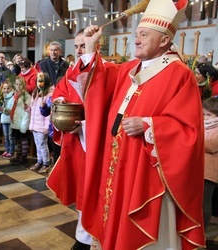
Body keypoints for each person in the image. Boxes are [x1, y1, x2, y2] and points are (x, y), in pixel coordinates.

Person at [79, 0, 205, 248]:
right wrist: (91, 47)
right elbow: (96, 85)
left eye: (143, 35)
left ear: (163, 41)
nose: (135, 40)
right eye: (136, 34)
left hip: (146, 172)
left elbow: (189, 131)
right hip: (118, 166)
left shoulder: (180, 74)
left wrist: (149, 126)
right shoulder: (129, 68)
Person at [47, 29, 118, 250]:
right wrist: (58, 99)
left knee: (96, 193)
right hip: (77, 142)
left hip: (98, 141)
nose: (79, 50)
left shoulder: (110, 70)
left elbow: (109, 108)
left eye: (83, 45)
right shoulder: (71, 72)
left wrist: (87, 125)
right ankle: (84, 236)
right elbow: (62, 92)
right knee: (82, 192)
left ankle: (90, 238)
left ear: (96, 44)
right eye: (77, 46)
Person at [28, 72, 52, 173]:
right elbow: (33, 110)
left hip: (42, 126)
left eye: (41, 81)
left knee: (43, 144)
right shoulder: (35, 94)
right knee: (38, 144)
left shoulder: (48, 95)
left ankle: (46, 163)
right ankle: (39, 161)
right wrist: (27, 108)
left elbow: (49, 114)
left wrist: (47, 126)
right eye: (38, 81)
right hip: (35, 125)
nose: (39, 83)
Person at [202, 96, 218, 231]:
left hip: (209, 171)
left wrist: (193, 138)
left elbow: (211, 145)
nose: (205, 117)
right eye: (203, 114)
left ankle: (203, 231)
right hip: (197, 168)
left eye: (208, 115)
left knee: (204, 202)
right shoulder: (202, 126)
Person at [9, 76, 31, 164]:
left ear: (24, 85)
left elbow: (27, 111)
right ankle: (18, 154)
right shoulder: (14, 95)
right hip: (15, 120)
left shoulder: (26, 95)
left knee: (23, 139)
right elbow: (11, 106)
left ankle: (24, 155)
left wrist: (24, 125)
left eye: (20, 84)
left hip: (22, 121)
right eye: (17, 84)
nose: (18, 86)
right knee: (17, 139)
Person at [0, 81, 15, 159]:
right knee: (5, 136)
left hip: (11, 120)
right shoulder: (1, 97)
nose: (6, 90)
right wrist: (0, 108)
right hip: (4, 119)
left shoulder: (13, 98)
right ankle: (7, 150)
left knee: (11, 136)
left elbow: (12, 110)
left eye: (8, 88)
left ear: (11, 89)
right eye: (4, 88)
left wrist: (3, 110)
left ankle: (11, 151)